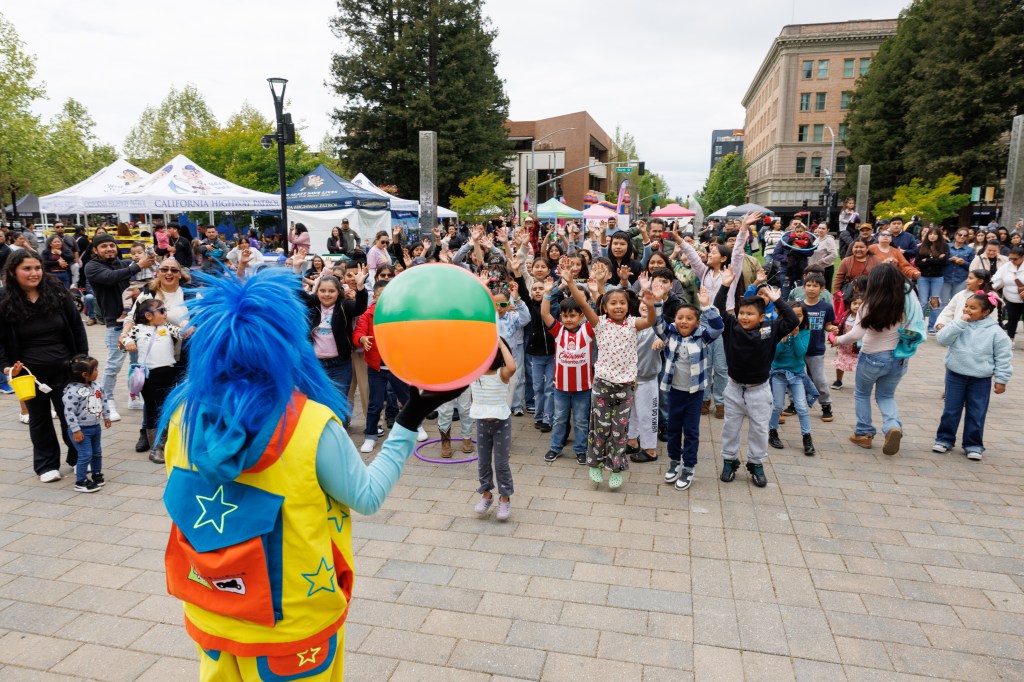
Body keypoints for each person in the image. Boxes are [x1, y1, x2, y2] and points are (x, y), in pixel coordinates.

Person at [157, 267, 460, 680]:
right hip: (292, 624)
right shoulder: (311, 423)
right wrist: (411, 416)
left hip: (210, 608)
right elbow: (368, 496)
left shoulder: (182, 415)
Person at [561, 257, 657, 490]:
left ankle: (616, 468)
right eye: (612, 303)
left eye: (622, 303)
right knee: (600, 428)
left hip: (625, 386)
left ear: (628, 306)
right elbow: (583, 304)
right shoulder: (600, 323)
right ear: (604, 307)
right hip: (603, 384)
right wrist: (571, 283)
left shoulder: (633, 323)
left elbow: (650, 321)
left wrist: (651, 305)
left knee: (619, 430)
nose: (618, 306)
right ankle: (595, 464)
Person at [0, 250, 89, 482]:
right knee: (39, 418)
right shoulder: (4, 299)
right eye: (27, 269)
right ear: (13, 272)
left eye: (37, 268)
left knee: (71, 415)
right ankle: (46, 464)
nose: (34, 273)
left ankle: (79, 457)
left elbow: (76, 327)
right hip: (29, 374)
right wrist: (6, 367)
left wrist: (82, 359)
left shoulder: (57, 291)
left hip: (65, 368)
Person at [714, 264, 799, 488]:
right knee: (730, 428)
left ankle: (756, 463)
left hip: (759, 390)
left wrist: (777, 300)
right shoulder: (731, 326)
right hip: (734, 388)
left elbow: (792, 321)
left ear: (761, 317)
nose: (744, 317)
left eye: (750, 314)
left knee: (760, 430)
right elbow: (718, 309)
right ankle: (729, 461)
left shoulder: (770, 328)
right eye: (742, 313)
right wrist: (725, 286)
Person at [836, 264, 925, 455]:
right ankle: (892, 426)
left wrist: (838, 340)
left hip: (872, 356)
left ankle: (864, 433)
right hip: (898, 358)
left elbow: (856, 335)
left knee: (862, 393)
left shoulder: (868, 304)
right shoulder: (904, 303)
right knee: (886, 396)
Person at [932, 291, 1013, 461]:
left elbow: (1003, 357)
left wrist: (1001, 379)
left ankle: (973, 444)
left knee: (977, 412)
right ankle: (944, 439)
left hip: (980, 379)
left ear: (985, 312)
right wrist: (959, 323)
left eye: (973, 308)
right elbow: (942, 339)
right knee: (951, 410)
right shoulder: (959, 324)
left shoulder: (996, 332)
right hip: (955, 375)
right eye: (966, 306)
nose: (967, 310)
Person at [656, 286, 723, 490]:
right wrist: (658, 301)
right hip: (674, 391)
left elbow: (718, 327)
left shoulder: (702, 337)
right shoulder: (670, 334)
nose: (684, 321)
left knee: (691, 431)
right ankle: (675, 461)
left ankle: (689, 467)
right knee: (674, 429)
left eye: (689, 318)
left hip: (694, 394)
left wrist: (707, 307)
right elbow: (657, 323)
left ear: (697, 322)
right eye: (680, 317)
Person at [84, 233, 156, 421]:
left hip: (137, 322)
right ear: (95, 250)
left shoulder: (124, 264)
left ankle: (134, 395)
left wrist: (149, 265)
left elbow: (145, 280)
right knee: (114, 365)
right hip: (115, 324)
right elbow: (110, 277)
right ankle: (106, 401)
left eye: (112, 245)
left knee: (137, 364)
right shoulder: (92, 266)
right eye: (104, 246)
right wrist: (138, 266)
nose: (109, 249)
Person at [353, 280, 427, 452]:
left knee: (407, 399)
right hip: (376, 368)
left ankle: (416, 426)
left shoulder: (399, 313)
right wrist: (362, 339)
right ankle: (370, 435)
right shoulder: (368, 315)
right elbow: (358, 333)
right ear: (374, 297)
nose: (385, 298)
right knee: (375, 403)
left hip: (397, 366)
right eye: (380, 295)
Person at [124, 299, 185, 464]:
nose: (165, 314)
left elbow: (183, 333)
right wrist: (128, 341)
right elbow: (124, 341)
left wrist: (187, 327)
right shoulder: (137, 329)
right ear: (149, 315)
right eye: (161, 311)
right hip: (149, 377)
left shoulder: (168, 327)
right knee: (152, 410)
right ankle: (156, 447)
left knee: (169, 409)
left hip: (169, 374)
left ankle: (169, 443)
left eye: (165, 310)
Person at [540, 280, 594, 465]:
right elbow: (545, 313)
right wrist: (548, 293)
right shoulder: (558, 330)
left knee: (581, 421)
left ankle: (581, 450)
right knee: (559, 419)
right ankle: (555, 447)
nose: (568, 319)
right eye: (565, 316)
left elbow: (596, 314)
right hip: (561, 388)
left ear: (581, 316)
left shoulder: (588, 330)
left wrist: (593, 293)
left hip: (583, 388)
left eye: (572, 315)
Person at [471, 339, 517, 521]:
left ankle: (504, 498)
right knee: (483, 463)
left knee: (501, 464)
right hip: (482, 425)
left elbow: (512, 367)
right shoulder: (474, 373)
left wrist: (501, 344)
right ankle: (486, 494)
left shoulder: (502, 373)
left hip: (501, 425)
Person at [306, 271, 368, 405]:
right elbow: (296, 295)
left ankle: (338, 420)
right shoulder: (312, 306)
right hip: (315, 364)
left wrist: (360, 287)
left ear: (338, 292)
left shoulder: (344, 305)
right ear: (317, 292)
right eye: (322, 291)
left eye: (331, 291)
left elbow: (360, 308)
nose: (327, 294)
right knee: (316, 403)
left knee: (338, 403)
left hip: (340, 365)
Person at [767, 302, 816, 456]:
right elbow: (773, 355)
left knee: (801, 406)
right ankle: (772, 432)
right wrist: (783, 340)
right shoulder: (778, 330)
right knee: (777, 406)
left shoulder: (805, 332)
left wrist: (795, 336)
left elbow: (800, 353)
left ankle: (807, 437)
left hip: (797, 374)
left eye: (799, 315)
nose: (796, 318)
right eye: (793, 315)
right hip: (779, 373)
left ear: (804, 317)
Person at [625, 292, 664, 464]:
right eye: (643, 303)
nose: (645, 306)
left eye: (650, 305)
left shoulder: (657, 327)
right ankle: (632, 441)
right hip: (630, 378)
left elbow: (666, 336)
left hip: (647, 379)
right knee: (631, 412)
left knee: (648, 414)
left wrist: (661, 341)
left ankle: (650, 450)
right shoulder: (632, 323)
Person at [62, 354, 110, 493]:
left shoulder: (97, 386)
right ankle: (80, 481)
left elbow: (103, 401)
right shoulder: (72, 391)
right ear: (85, 374)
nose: (97, 372)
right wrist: (76, 430)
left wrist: (106, 416)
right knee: (85, 454)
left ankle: (96, 474)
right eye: (95, 370)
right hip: (81, 430)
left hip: (95, 427)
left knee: (97, 453)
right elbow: (69, 413)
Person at [795, 272, 837, 422]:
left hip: (816, 350)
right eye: (808, 285)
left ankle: (826, 405)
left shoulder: (826, 307)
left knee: (819, 380)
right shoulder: (798, 306)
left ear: (822, 289)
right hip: (797, 349)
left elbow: (827, 325)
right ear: (804, 287)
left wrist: (831, 328)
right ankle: (794, 404)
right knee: (795, 378)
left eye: (815, 286)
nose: (811, 288)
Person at [916, 227, 950, 333]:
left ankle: (932, 325)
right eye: (930, 234)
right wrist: (936, 259)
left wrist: (927, 260)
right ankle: (919, 325)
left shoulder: (944, 246)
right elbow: (918, 263)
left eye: (935, 234)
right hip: (923, 277)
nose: (932, 236)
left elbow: (944, 262)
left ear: (939, 236)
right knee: (922, 302)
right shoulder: (922, 246)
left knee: (935, 302)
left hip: (937, 277)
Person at [993, 246, 1024, 346]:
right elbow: (996, 279)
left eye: (1015, 259)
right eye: (1010, 258)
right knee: (1012, 319)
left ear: (1022, 257)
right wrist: (990, 289)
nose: (1012, 261)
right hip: (1011, 299)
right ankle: (1010, 340)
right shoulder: (1007, 266)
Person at [830, 294, 862, 389]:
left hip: (858, 347)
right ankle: (838, 381)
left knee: (859, 366)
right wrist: (835, 331)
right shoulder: (846, 315)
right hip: (843, 345)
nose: (857, 306)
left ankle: (860, 384)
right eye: (854, 303)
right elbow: (839, 324)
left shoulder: (864, 318)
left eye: (860, 304)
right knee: (840, 363)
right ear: (850, 305)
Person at [942, 228, 975, 306]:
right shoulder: (946, 246)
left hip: (961, 280)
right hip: (945, 278)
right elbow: (939, 261)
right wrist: (949, 260)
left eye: (965, 235)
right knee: (944, 302)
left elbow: (972, 266)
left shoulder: (970, 250)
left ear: (967, 238)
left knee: (958, 303)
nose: (962, 237)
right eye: (960, 235)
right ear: (955, 235)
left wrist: (963, 263)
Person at [806, 223, 839, 290]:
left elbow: (834, 255)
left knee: (824, 290)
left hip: (825, 269)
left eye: (823, 228)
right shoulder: (817, 239)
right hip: (815, 269)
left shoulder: (829, 240)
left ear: (828, 230)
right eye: (819, 228)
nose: (820, 230)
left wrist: (820, 261)